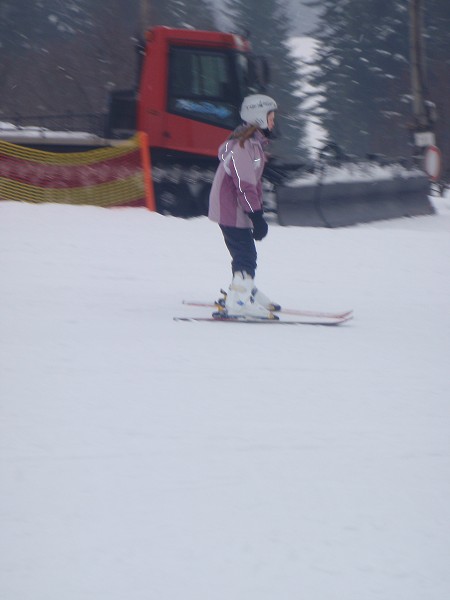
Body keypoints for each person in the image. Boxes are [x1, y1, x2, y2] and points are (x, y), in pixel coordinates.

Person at [208, 94, 280, 318]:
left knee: (243, 253)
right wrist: (256, 216)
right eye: (270, 117)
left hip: (235, 208)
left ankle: (242, 289)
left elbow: (253, 181)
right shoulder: (244, 147)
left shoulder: (255, 147)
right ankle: (239, 300)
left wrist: (256, 212)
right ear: (258, 117)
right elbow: (245, 185)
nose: (273, 122)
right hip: (231, 208)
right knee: (246, 255)